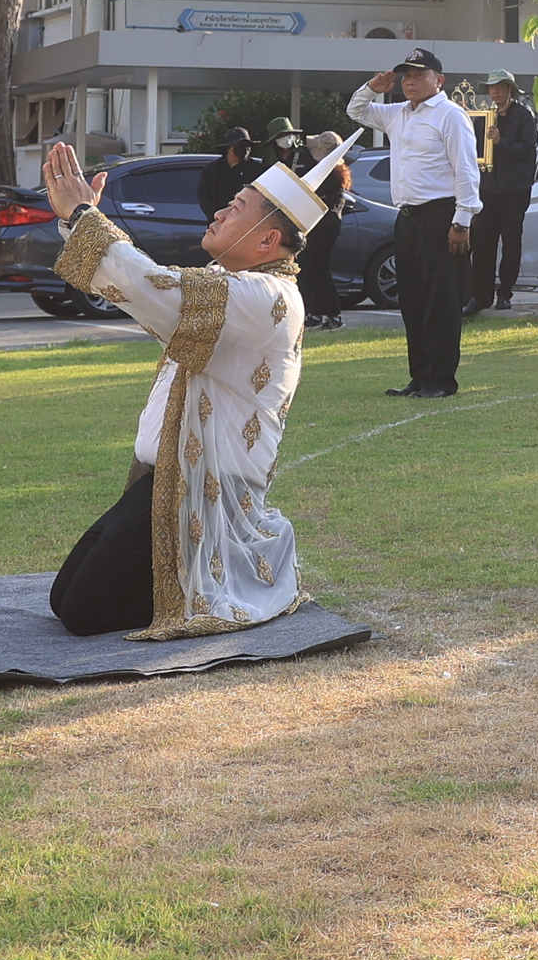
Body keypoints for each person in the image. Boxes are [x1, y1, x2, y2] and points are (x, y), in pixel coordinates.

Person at [38, 131, 327, 639]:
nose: (218, 212)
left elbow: (156, 291)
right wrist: (76, 220)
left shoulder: (266, 297)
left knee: (83, 611)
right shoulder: (235, 282)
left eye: (236, 207)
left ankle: (245, 562)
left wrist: (83, 218)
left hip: (204, 489)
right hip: (169, 478)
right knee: (66, 598)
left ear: (266, 241)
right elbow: (153, 288)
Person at [347, 52, 475, 398]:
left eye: (419, 75)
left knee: (441, 300)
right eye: (406, 77)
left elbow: (465, 169)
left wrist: (462, 220)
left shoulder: (451, 116)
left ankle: (440, 380)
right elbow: (356, 112)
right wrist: (373, 87)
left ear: (439, 80)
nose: (411, 82)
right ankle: (419, 376)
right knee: (413, 300)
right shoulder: (397, 114)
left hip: (440, 216)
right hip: (406, 218)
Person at [469, 76, 538, 311]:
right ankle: (480, 296)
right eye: (491, 87)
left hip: (514, 190)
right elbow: (475, 149)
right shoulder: (486, 116)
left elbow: (529, 151)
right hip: (488, 189)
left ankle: (505, 293)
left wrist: (502, 141)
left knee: (510, 242)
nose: (494, 92)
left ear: (510, 89)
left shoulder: (524, 115)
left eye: (499, 87)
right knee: (482, 243)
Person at [289, 131, 352, 328]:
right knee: (309, 270)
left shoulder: (332, 173)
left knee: (320, 271)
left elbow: (328, 202)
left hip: (324, 227)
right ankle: (315, 312)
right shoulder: (326, 170)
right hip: (315, 225)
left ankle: (334, 315)